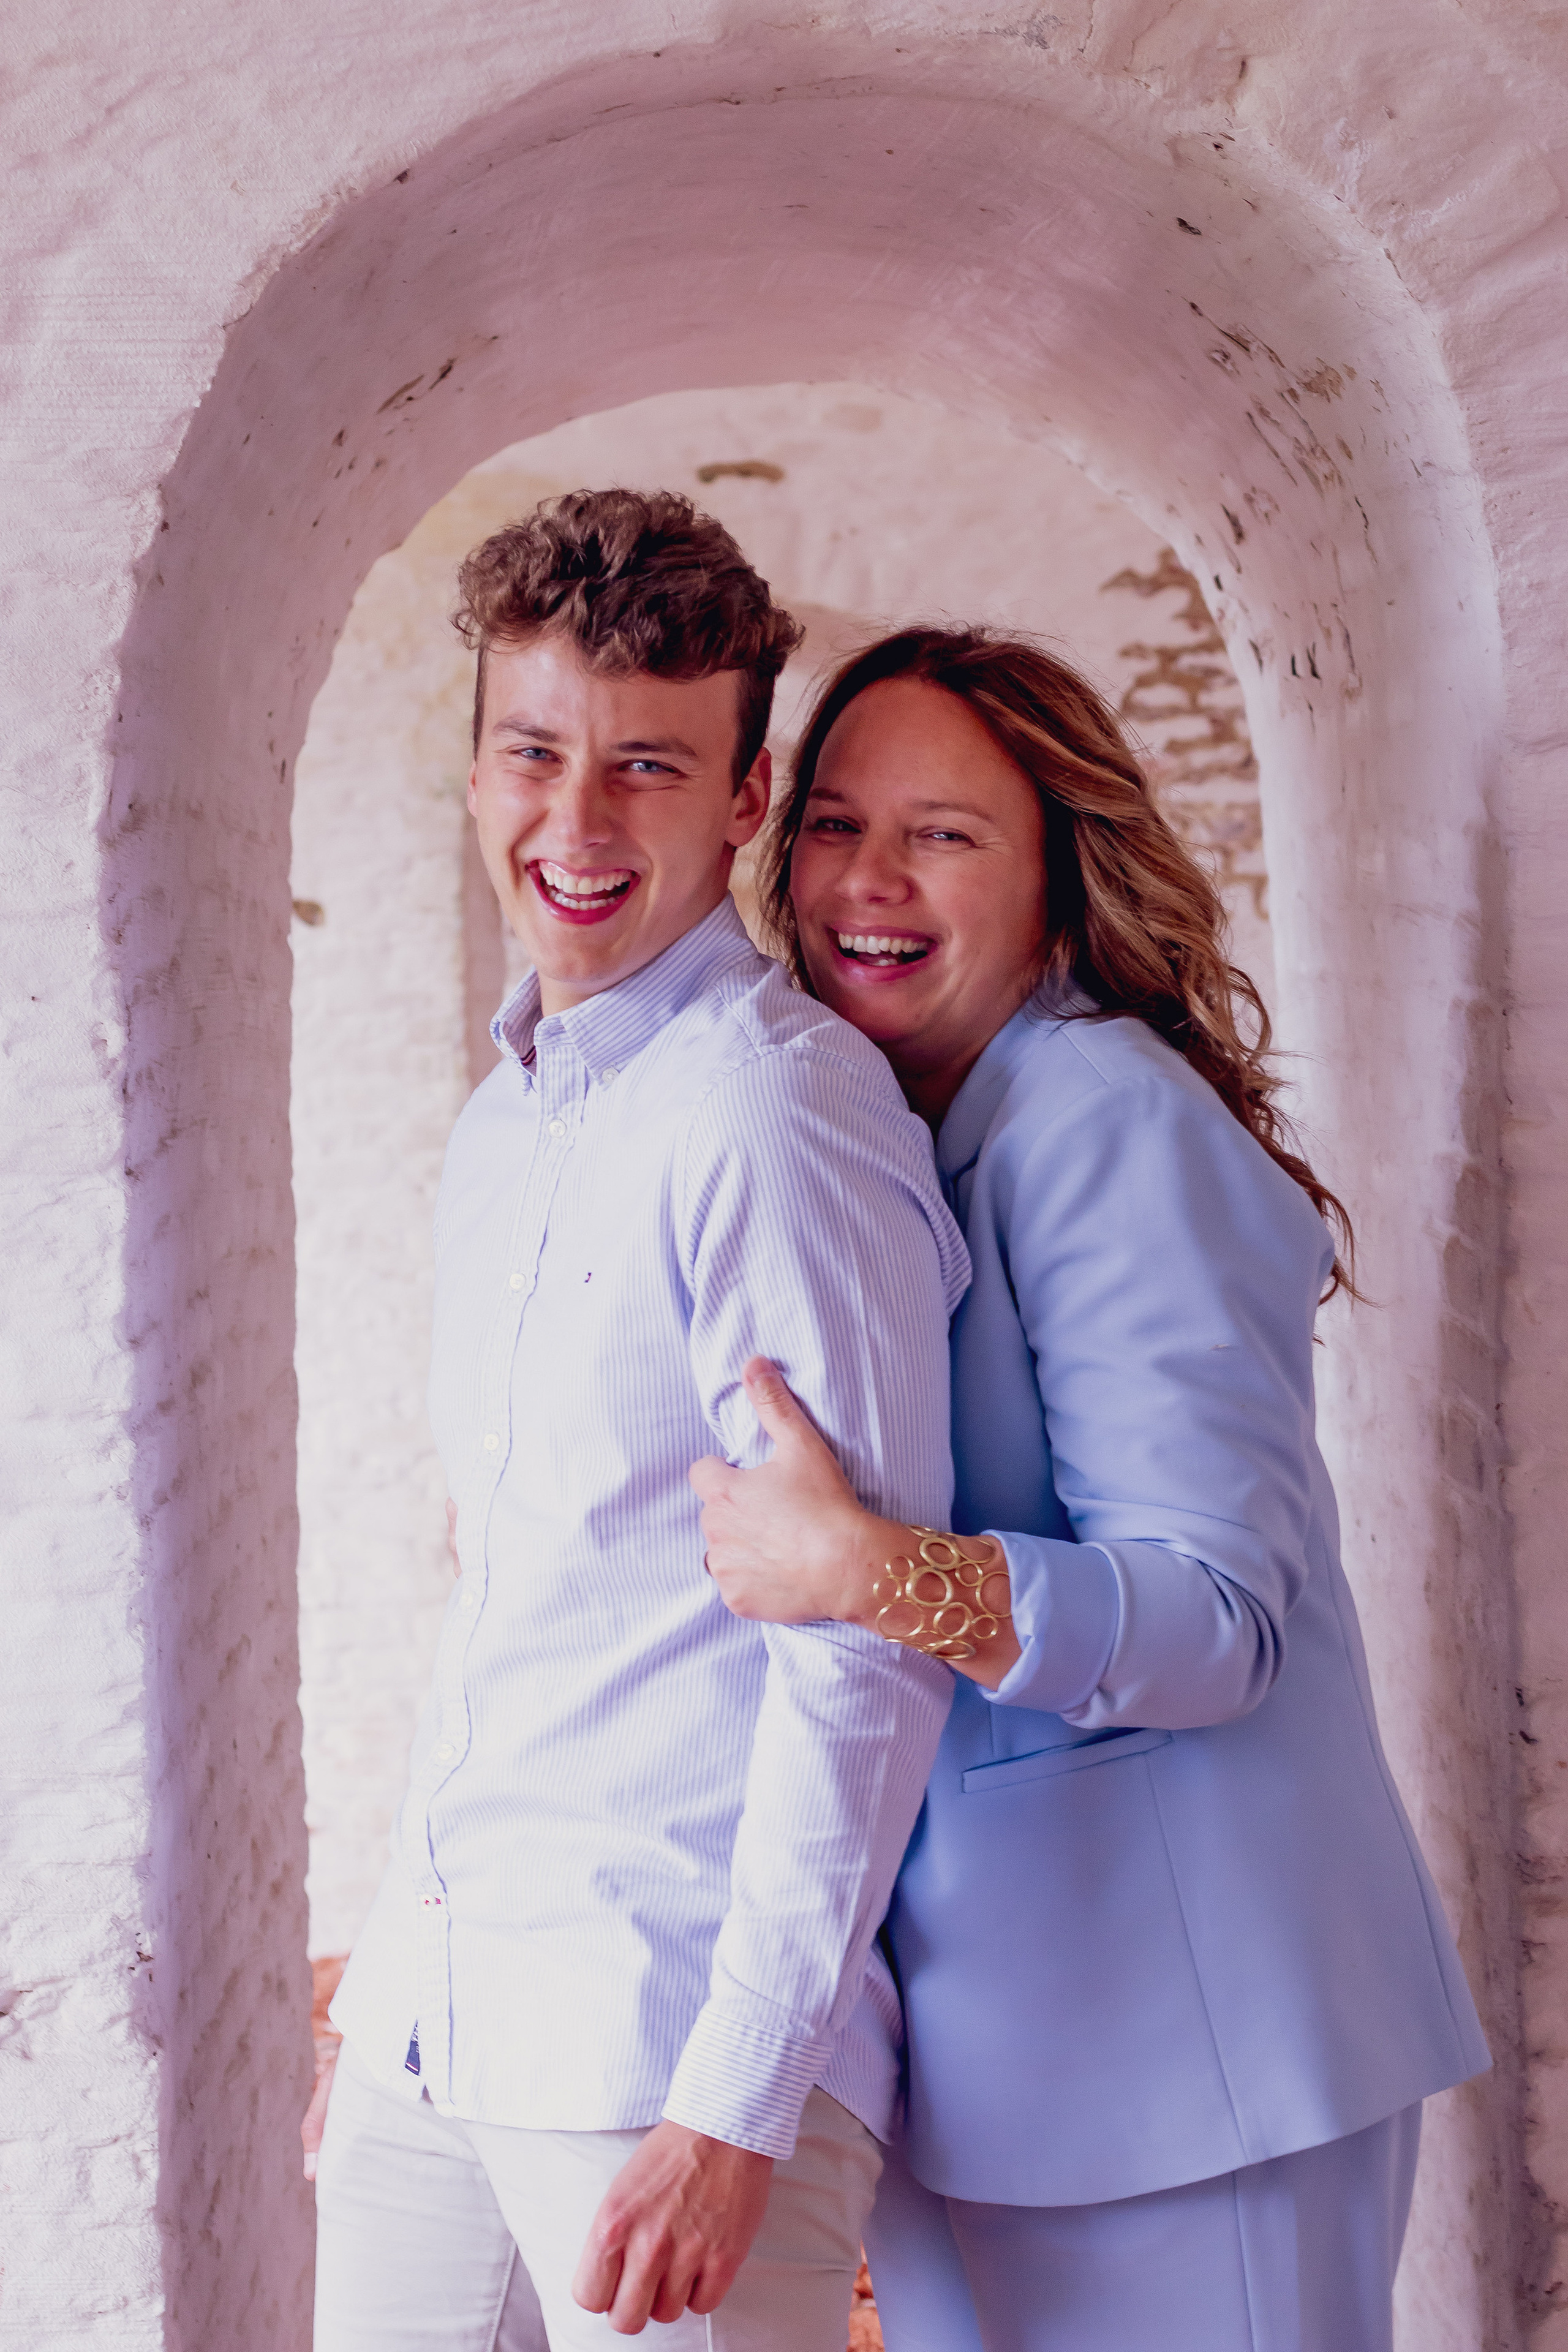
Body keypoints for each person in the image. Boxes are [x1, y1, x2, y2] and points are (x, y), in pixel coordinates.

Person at [693, 626, 1490, 2352]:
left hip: (1194, 2065)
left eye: (944, 834)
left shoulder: (1101, 1118)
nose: (869, 880)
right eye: (834, 824)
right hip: (992, 2057)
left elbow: (1218, 1618)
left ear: (1059, 886)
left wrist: (863, 1570)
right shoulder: (882, 1127)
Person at [303, 497, 969, 2352]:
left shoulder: (777, 1112)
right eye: (536, 754)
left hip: (663, 2054)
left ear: (744, 799)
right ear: (476, 770)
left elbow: (863, 1647)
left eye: (648, 768)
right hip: (447, 2027)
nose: (577, 824)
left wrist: (737, 2103)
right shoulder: (507, 1115)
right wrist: (397, 1994)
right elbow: (514, 1595)